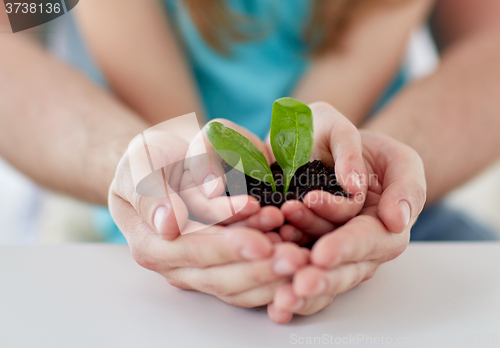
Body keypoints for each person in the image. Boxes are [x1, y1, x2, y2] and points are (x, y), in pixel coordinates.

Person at [0, 0, 499, 323]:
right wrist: (126, 162)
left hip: (384, 226)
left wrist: (382, 167)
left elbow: (488, 41)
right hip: (124, 230)